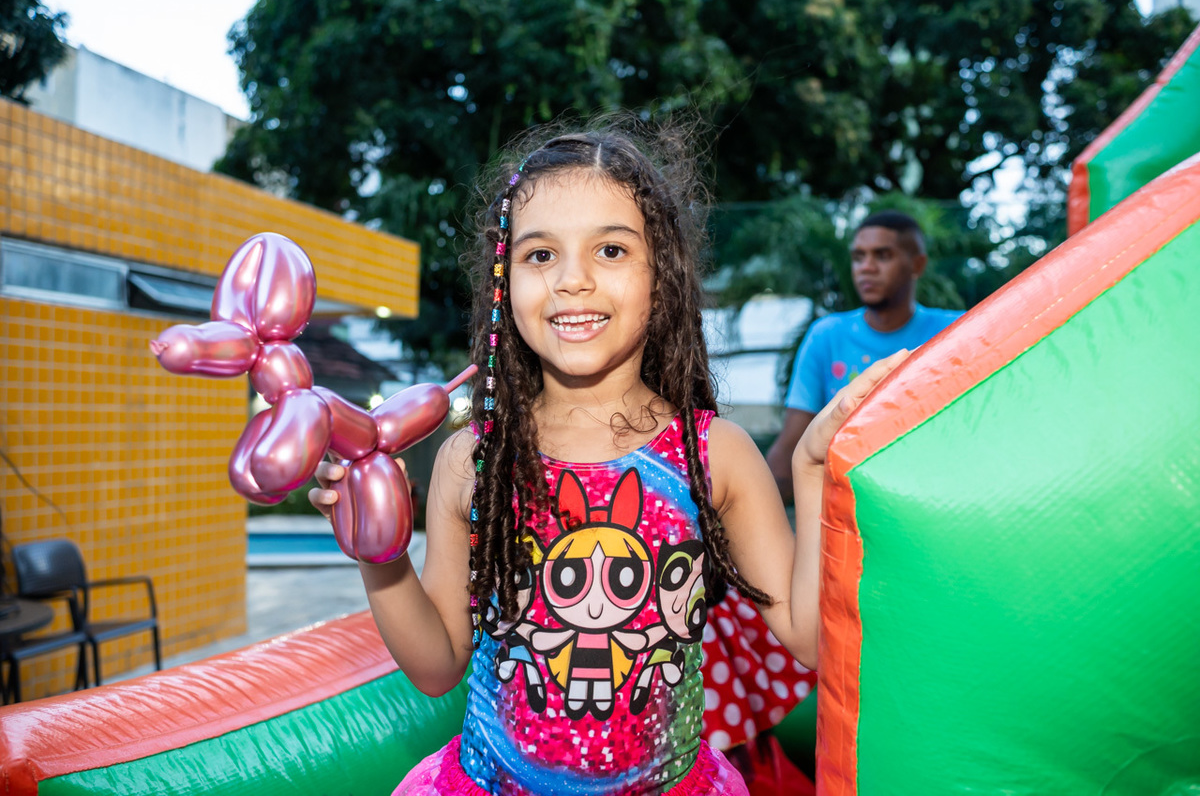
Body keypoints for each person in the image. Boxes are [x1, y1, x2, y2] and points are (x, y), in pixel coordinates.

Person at [309, 121, 906, 796]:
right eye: (540, 256)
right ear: (506, 281)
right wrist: (377, 555)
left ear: (662, 275)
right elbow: (437, 667)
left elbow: (807, 640)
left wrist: (812, 466)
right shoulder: (471, 459)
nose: (572, 281)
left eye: (612, 250)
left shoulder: (712, 454)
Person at [765, 210, 961, 502]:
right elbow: (793, 439)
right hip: (846, 507)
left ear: (917, 264)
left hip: (937, 500)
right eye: (858, 257)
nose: (866, 267)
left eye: (882, 256)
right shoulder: (826, 335)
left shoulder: (955, 331)